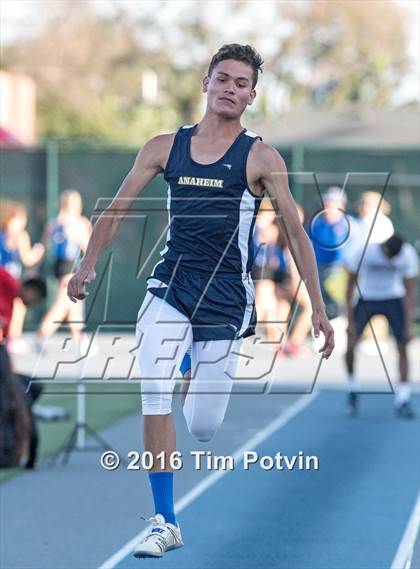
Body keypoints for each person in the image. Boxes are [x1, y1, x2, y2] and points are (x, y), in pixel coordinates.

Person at [67, 44, 334, 559]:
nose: (231, 89)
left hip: (226, 300)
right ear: (206, 83)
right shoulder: (165, 146)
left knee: (205, 427)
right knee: (154, 392)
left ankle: (191, 364)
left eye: (241, 83)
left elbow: (298, 236)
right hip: (170, 285)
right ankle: (165, 520)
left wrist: (318, 307)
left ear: (252, 95)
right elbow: (117, 208)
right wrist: (87, 264)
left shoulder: (261, 157)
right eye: (223, 79)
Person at [344, 234, 418, 418]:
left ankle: (403, 398)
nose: (390, 261)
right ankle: (353, 387)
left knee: (403, 346)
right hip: (367, 297)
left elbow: (409, 292)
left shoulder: (408, 255)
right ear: (383, 249)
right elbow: (350, 286)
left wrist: (408, 326)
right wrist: (350, 320)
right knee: (351, 343)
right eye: (388, 257)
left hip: (393, 298)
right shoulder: (366, 251)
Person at [0, 267, 46, 468]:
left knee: (26, 389)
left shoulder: (10, 306)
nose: (32, 304)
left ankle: (20, 450)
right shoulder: (9, 281)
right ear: (32, 290)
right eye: (35, 300)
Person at [37, 189, 92, 350]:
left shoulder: (54, 223)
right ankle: (41, 335)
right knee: (62, 305)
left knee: (74, 305)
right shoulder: (79, 223)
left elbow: (44, 246)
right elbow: (88, 246)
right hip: (70, 267)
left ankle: (81, 340)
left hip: (60, 267)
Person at [0, 199, 45, 352]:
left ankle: (13, 338)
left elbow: (28, 259)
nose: (21, 225)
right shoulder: (3, 235)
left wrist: (38, 252)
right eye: (18, 220)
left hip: (12, 282)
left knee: (18, 307)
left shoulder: (21, 237)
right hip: (2, 281)